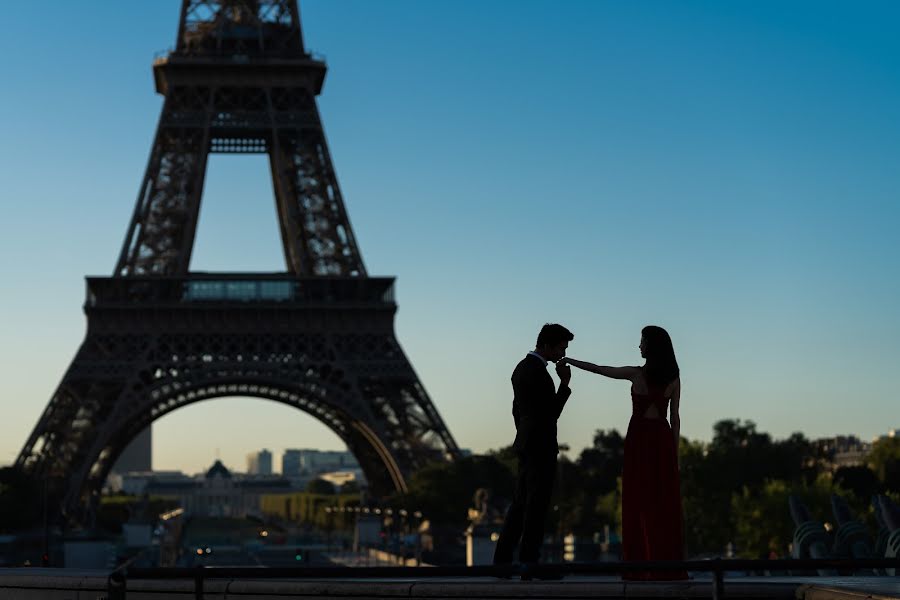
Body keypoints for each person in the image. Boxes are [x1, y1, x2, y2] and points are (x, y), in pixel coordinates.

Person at [563, 325, 687, 580]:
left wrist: (571, 361)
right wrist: (673, 456)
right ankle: (664, 563)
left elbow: (599, 369)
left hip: (640, 440)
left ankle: (641, 565)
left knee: (639, 502)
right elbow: (675, 419)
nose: (639, 346)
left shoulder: (636, 374)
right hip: (662, 441)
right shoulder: (674, 378)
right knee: (663, 503)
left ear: (651, 346)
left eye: (642, 342)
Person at [493, 323, 574, 572]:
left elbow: (517, 411)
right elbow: (551, 413)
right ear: (547, 345)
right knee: (536, 506)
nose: (563, 353)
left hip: (527, 443)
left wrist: (523, 436)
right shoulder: (538, 373)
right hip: (540, 445)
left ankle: (504, 560)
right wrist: (564, 384)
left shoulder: (523, 368)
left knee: (520, 505)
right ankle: (530, 561)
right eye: (561, 348)